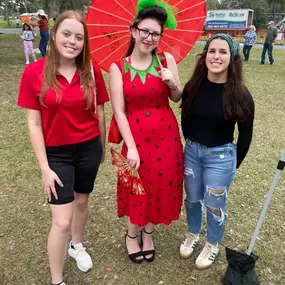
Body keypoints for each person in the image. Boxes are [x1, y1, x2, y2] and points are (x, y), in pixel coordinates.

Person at [17, 11, 109, 285]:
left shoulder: (91, 70)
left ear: (85, 42)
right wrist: (45, 168)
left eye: (79, 37)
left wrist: (101, 148)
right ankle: (57, 281)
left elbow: (101, 111)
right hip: (56, 153)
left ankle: (76, 245)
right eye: (66, 34)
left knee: (82, 200)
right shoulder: (35, 71)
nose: (72, 41)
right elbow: (34, 124)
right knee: (61, 222)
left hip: (88, 147)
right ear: (54, 35)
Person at [109, 0, 183, 263]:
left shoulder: (167, 60)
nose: (149, 38)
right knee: (137, 187)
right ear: (133, 31)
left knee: (160, 184)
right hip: (136, 137)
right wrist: (131, 146)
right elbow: (118, 110)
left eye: (155, 34)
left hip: (166, 136)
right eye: (145, 31)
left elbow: (178, 98)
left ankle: (149, 232)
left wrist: (172, 83)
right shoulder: (119, 67)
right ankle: (131, 235)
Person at [180, 34, 254, 270]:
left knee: (214, 204)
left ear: (232, 58)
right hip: (192, 153)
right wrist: (192, 146)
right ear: (205, 56)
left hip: (221, 158)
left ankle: (212, 244)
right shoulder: (193, 86)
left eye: (222, 52)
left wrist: (231, 165)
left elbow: (245, 136)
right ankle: (193, 233)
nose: (216, 56)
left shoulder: (241, 95)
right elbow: (186, 120)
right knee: (192, 199)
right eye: (212, 51)